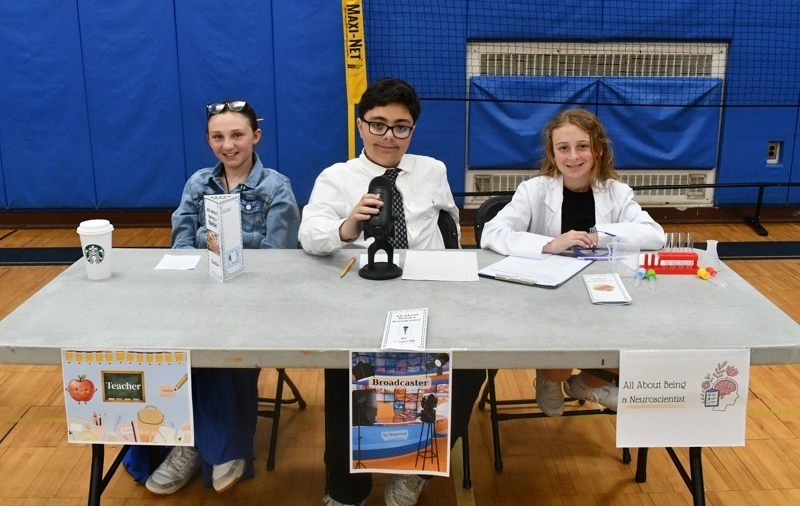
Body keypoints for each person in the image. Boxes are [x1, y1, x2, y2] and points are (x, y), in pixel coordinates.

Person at [299, 77, 486, 506]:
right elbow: (309, 234)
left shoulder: (432, 170)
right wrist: (348, 226)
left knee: (471, 366)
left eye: (401, 127)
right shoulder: (336, 177)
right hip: (362, 295)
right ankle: (346, 489)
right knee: (344, 372)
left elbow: (449, 226)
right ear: (360, 125)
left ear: (412, 130)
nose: (388, 136)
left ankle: (417, 470)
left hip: (426, 294)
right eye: (378, 125)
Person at [124, 99, 301, 495]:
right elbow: (181, 244)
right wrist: (203, 276)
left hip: (256, 304)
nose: (228, 145)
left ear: (256, 136)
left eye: (237, 135)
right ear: (208, 140)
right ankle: (202, 443)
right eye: (218, 137)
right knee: (165, 344)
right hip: (199, 298)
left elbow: (280, 260)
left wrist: (232, 273)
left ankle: (206, 447)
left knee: (216, 350)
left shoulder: (276, 187)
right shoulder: (197, 184)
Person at [480, 108, 665, 416]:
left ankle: (585, 385)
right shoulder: (534, 190)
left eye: (582, 146)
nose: (573, 156)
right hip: (549, 299)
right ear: (553, 154)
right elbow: (492, 232)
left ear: (598, 149)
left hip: (604, 292)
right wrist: (549, 244)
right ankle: (551, 379)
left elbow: (655, 235)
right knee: (560, 360)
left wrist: (600, 236)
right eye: (563, 148)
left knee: (631, 344)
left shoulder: (616, 192)